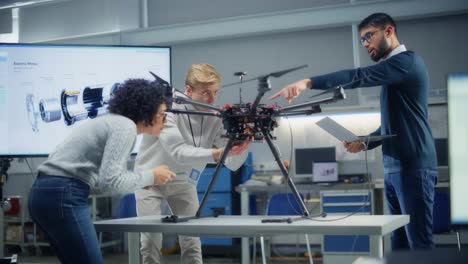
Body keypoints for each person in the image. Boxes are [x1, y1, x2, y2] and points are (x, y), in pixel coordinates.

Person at [270, 13, 438, 250]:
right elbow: (392, 127)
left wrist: (307, 82)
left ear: (388, 31)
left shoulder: (406, 63)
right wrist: (364, 142)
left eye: (369, 36)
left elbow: (358, 76)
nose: (366, 44)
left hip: (413, 166)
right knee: (399, 244)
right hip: (395, 167)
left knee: (419, 245)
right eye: (362, 40)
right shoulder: (395, 72)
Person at [28, 78, 176, 264]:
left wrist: (142, 180)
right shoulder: (125, 127)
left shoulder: (111, 122)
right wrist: (152, 176)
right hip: (64, 195)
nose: (165, 119)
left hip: (43, 194)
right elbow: (111, 182)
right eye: (162, 113)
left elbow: (100, 184)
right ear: (147, 111)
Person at [135, 63, 250, 264]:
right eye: (206, 93)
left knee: (191, 240)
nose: (213, 99)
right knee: (151, 241)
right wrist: (216, 154)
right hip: (150, 180)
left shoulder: (214, 117)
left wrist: (241, 145)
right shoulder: (167, 111)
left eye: (215, 92)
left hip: (183, 182)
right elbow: (178, 152)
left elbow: (231, 163)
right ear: (188, 90)